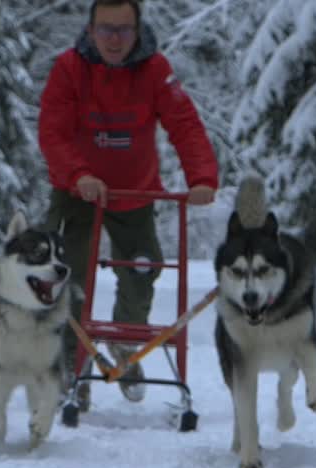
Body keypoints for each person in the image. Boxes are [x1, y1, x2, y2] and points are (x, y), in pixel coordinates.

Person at [38, 0, 219, 405]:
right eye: (106, 29)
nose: (114, 39)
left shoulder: (155, 70)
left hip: (136, 192)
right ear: (90, 30)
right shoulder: (69, 69)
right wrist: (79, 175)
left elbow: (184, 123)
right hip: (77, 193)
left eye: (123, 30)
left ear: (137, 32)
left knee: (143, 267)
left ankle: (125, 343)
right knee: (70, 276)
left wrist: (202, 178)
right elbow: (53, 131)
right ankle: (73, 359)